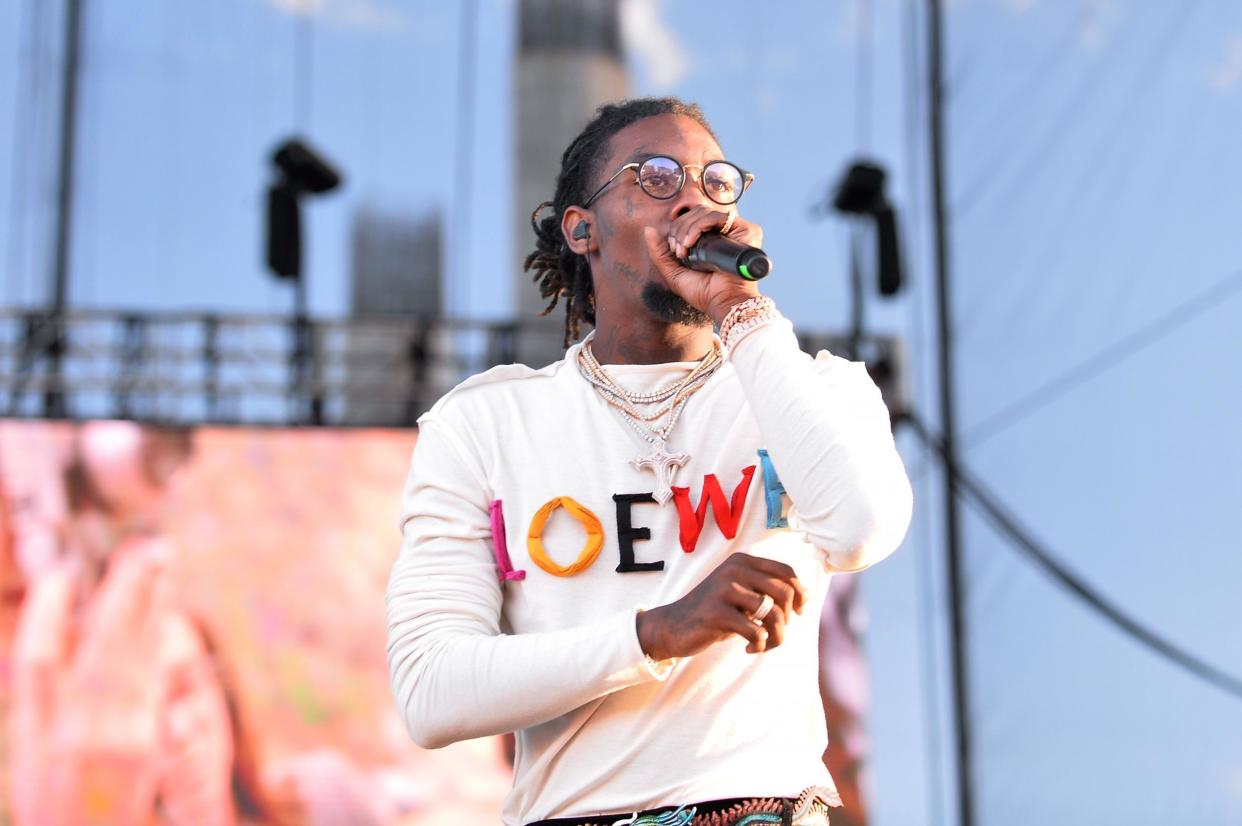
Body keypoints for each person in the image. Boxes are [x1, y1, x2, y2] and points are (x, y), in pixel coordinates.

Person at [386, 97, 913, 826]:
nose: (695, 198)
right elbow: (431, 691)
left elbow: (860, 528)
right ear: (583, 229)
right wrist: (655, 633)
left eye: (716, 181)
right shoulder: (486, 424)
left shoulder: (817, 388)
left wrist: (741, 310)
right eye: (657, 177)